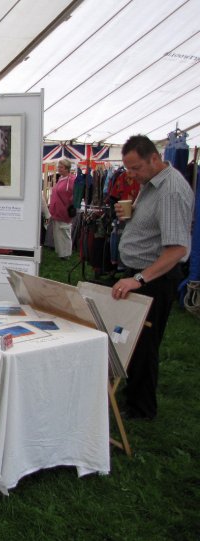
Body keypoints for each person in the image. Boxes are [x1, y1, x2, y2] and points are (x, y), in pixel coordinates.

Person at [111, 135, 194, 419]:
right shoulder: (152, 183)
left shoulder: (170, 190)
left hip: (154, 279)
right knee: (131, 340)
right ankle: (132, 394)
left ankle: (141, 409)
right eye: (127, 169)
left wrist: (140, 280)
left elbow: (177, 248)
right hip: (141, 273)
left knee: (145, 344)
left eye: (135, 168)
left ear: (154, 159)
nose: (130, 175)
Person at [47, 158, 76, 259]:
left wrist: (69, 205)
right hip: (56, 211)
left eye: (61, 167)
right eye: (58, 166)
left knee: (65, 232)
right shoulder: (60, 179)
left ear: (67, 168)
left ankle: (67, 254)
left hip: (65, 211)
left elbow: (75, 195)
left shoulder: (72, 180)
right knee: (58, 233)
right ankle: (61, 253)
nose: (59, 168)